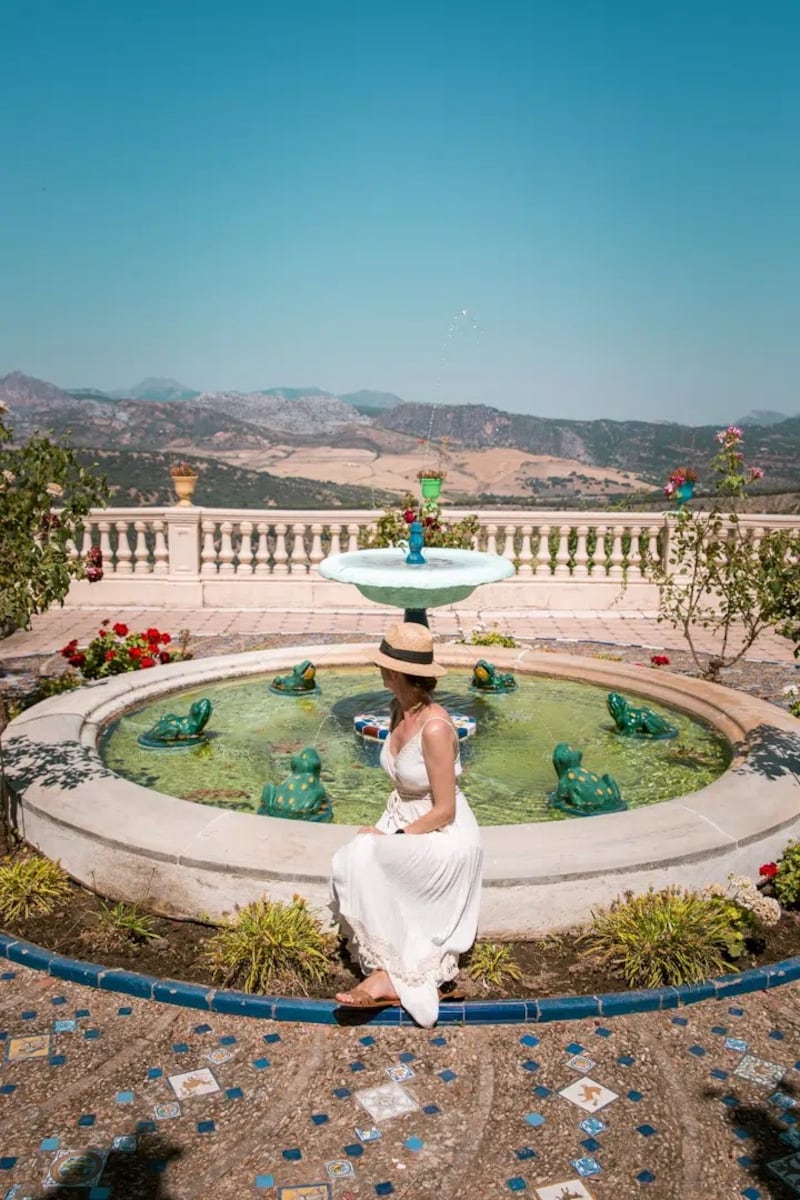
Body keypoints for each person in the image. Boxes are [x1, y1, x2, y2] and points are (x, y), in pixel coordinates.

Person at [329, 621, 483, 1027]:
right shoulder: (399, 709)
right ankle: (387, 971)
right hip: (406, 817)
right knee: (353, 856)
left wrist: (392, 836)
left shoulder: (434, 728)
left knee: (365, 852)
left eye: (383, 666)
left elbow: (445, 809)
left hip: (443, 835)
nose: (378, 671)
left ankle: (389, 976)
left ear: (394, 673)